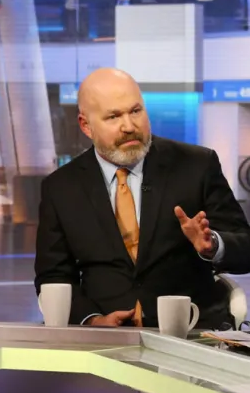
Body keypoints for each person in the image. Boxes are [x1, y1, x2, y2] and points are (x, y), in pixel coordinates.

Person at [34, 68, 250, 328]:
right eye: (113, 116)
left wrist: (212, 245)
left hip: (191, 330)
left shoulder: (196, 165)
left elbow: (245, 247)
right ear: (86, 125)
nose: (129, 126)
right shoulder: (61, 187)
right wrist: (93, 320)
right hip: (103, 339)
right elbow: (53, 276)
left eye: (135, 111)